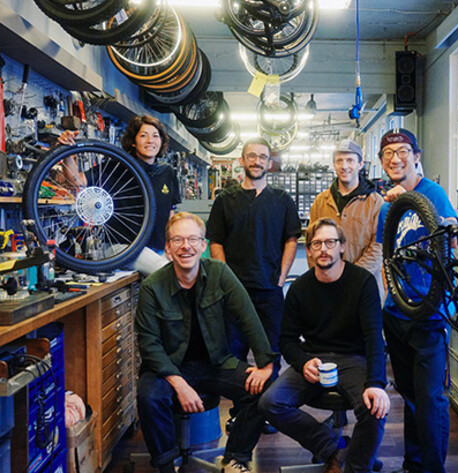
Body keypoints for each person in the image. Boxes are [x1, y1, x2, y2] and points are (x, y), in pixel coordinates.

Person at [135, 212, 277, 473]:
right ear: (167, 248)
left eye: (192, 239)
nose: (185, 246)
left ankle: (236, 457)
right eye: (177, 239)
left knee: (263, 389)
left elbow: (249, 318)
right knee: (149, 395)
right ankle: (166, 464)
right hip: (168, 368)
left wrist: (266, 364)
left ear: (203, 246)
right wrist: (179, 383)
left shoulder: (219, 273)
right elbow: (149, 344)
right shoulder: (152, 287)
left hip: (216, 363)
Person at [259, 218, 389, 473]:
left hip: (354, 358)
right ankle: (333, 449)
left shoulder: (362, 282)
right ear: (308, 250)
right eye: (316, 244)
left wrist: (376, 383)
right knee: (270, 403)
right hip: (314, 358)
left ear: (341, 246)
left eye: (330, 242)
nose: (323, 249)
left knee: (374, 408)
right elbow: (286, 340)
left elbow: (374, 336)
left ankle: (356, 466)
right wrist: (303, 361)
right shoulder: (299, 288)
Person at [375, 129, 457, 473]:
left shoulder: (433, 193)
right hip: (398, 314)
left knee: (430, 400)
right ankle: (414, 463)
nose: (396, 158)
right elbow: (387, 258)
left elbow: (452, 240)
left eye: (403, 151)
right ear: (381, 161)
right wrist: (390, 297)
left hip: (430, 314)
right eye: (388, 153)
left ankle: (432, 468)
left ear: (416, 155)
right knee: (409, 398)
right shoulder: (387, 207)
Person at [206, 137, 302, 375]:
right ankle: (242, 411)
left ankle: (267, 408)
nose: (257, 162)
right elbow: (215, 241)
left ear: (269, 163)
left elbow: (292, 239)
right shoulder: (225, 200)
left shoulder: (282, 200)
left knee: (270, 355)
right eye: (252, 156)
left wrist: (280, 279)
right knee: (234, 356)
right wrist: (226, 279)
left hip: (270, 290)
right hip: (234, 292)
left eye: (262, 157)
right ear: (242, 161)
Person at [58, 115, 181, 274]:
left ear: (161, 142)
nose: (150, 140)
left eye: (155, 136)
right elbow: (76, 181)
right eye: (143, 135)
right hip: (122, 248)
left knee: (183, 271)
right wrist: (67, 153)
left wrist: (171, 244)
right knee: (168, 274)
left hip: (157, 249)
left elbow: (170, 214)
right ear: (133, 141)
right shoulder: (116, 166)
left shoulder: (167, 172)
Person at [309, 139, 385, 301]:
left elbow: (379, 247)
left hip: (363, 287)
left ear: (360, 164)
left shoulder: (376, 202)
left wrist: (350, 278)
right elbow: (312, 243)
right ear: (334, 165)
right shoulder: (321, 201)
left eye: (350, 160)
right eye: (339, 161)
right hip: (327, 288)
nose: (344, 166)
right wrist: (323, 274)